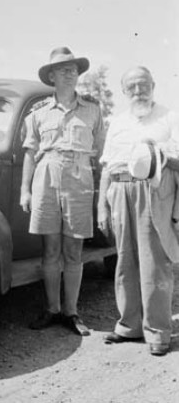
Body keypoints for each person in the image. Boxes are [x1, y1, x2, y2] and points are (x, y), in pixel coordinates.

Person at [20, 47, 105, 335]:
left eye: (73, 69)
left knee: (74, 249)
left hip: (79, 178)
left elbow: (101, 152)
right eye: (63, 69)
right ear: (52, 76)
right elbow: (30, 154)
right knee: (50, 248)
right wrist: (25, 191)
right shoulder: (38, 113)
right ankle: (52, 309)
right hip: (46, 177)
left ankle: (71, 312)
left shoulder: (93, 110)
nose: (70, 73)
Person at [98, 66, 179, 356]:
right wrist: (101, 207)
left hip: (152, 190)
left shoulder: (169, 116)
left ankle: (158, 332)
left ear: (153, 85)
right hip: (119, 191)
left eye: (143, 85)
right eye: (131, 87)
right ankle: (129, 325)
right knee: (125, 260)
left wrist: (158, 154)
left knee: (154, 261)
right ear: (124, 92)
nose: (137, 91)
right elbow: (107, 166)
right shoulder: (118, 122)